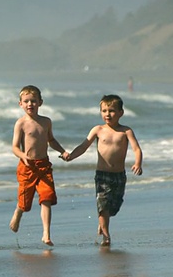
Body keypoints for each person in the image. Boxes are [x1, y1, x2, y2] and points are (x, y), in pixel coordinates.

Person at [64, 94, 143, 247]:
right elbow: (83, 146)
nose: (108, 114)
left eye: (112, 111)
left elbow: (136, 149)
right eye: (104, 111)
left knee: (114, 207)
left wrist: (138, 163)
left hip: (119, 175)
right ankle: (106, 236)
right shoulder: (98, 130)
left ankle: (103, 221)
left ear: (121, 112)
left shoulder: (126, 131)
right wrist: (71, 156)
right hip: (102, 175)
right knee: (103, 205)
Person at [9, 85, 69, 246]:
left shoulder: (46, 121)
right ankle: (18, 212)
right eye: (26, 101)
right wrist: (23, 156)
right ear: (20, 104)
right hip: (27, 167)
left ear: (40, 102)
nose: (30, 104)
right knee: (25, 201)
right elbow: (14, 147)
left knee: (46, 198)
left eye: (33, 101)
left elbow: (51, 140)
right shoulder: (20, 124)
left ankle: (46, 234)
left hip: (44, 166)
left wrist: (63, 152)